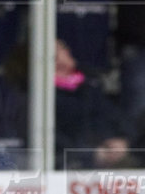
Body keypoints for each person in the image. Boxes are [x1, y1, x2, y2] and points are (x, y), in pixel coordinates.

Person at [53, 38, 132, 169]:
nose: (66, 52)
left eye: (63, 48)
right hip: (75, 163)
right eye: (58, 52)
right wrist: (91, 154)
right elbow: (54, 137)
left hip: (111, 152)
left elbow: (113, 114)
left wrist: (121, 140)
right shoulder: (43, 96)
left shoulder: (90, 82)